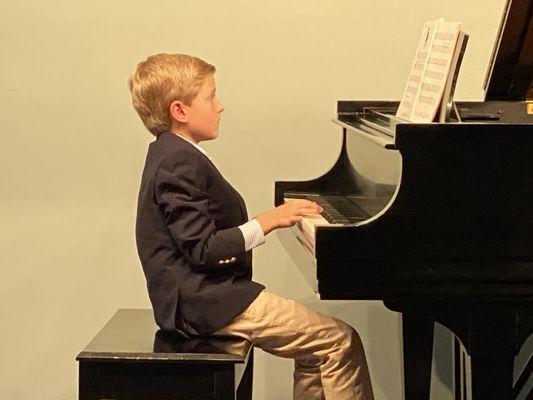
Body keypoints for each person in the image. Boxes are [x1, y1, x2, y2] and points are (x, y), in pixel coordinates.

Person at [129, 53, 374, 400]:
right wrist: (268, 221)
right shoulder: (177, 162)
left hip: (202, 295)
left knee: (315, 349)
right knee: (339, 342)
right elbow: (204, 248)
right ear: (180, 111)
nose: (220, 105)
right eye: (211, 96)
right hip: (203, 302)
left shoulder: (170, 154)